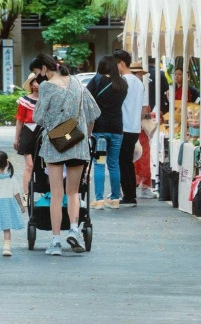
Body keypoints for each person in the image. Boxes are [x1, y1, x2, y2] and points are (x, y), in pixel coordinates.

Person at [31, 54, 101, 256]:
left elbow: (39, 117)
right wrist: (85, 134)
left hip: (55, 145)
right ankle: (74, 230)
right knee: (74, 192)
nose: (38, 79)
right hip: (78, 143)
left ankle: (55, 241)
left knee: (56, 193)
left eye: (37, 73)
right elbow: (93, 112)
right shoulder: (78, 83)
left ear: (44, 69)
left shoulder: (46, 87)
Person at [86, 56, 128, 210]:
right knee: (114, 164)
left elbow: (86, 97)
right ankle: (115, 199)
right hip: (117, 129)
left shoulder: (97, 80)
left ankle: (99, 200)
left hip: (100, 130)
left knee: (99, 164)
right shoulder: (123, 83)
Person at [113, 50, 149, 208]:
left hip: (123, 126)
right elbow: (144, 110)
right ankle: (130, 194)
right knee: (127, 161)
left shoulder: (122, 82)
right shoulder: (139, 83)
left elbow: (116, 106)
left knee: (122, 161)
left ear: (121, 63)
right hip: (135, 127)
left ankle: (128, 195)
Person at [14, 73, 41, 199]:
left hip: (43, 133)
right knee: (29, 165)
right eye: (34, 82)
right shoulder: (25, 101)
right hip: (28, 132)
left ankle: (45, 194)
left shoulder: (48, 99)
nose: (37, 84)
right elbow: (20, 121)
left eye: (39, 81)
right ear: (30, 84)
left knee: (42, 166)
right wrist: (16, 138)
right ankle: (26, 196)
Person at [131, 63, 155, 199]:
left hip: (128, 127)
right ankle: (144, 186)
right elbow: (145, 109)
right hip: (139, 127)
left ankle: (132, 185)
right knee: (143, 156)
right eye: (139, 74)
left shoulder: (125, 85)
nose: (140, 76)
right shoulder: (140, 87)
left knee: (132, 158)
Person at [0, 151, 24, 257]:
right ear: (6, 163)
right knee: (6, 228)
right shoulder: (10, 177)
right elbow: (16, 193)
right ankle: (6, 247)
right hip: (6, 205)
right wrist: (21, 205)